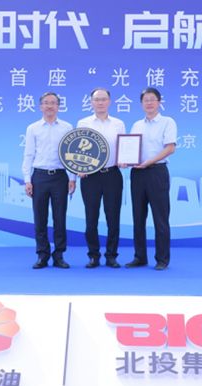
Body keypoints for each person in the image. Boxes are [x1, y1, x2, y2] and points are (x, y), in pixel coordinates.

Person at [22, 92, 76, 269]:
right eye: (46, 103)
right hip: (39, 177)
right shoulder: (33, 128)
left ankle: (59, 255)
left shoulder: (67, 127)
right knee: (40, 218)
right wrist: (27, 180)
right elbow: (28, 155)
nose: (50, 106)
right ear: (41, 106)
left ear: (58, 106)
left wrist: (72, 177)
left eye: (53, 103)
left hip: (60, 177)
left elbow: (71, 155)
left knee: (60, 218)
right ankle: (42, 255)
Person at [126, 87, 176, 271]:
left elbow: (170, 148)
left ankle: (162, 259)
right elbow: (130, 149)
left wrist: (149, 162)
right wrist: (125, 160)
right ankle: (140, 257)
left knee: (160, 218)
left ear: (159, 102)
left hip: (157, 172)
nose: (149, 103)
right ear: (141, 104)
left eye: (152, 99)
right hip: (138, 173)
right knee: (138, 217)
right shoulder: (137, 125)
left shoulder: (167, 122)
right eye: (145, 100)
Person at [77, 88, 126, 268]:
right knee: (91, 218)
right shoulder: (83, 123)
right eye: (97, 99)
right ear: (91, 102)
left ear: (109, 102)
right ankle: (93, 255)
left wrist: (124, 159)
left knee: (113, 217)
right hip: (90, 177)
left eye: (103, 99)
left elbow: (124, 147)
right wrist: (79, 169)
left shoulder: (118, 124)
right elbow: (76, 149)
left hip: (112, 174)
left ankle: (111, 256)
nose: (100, 102)